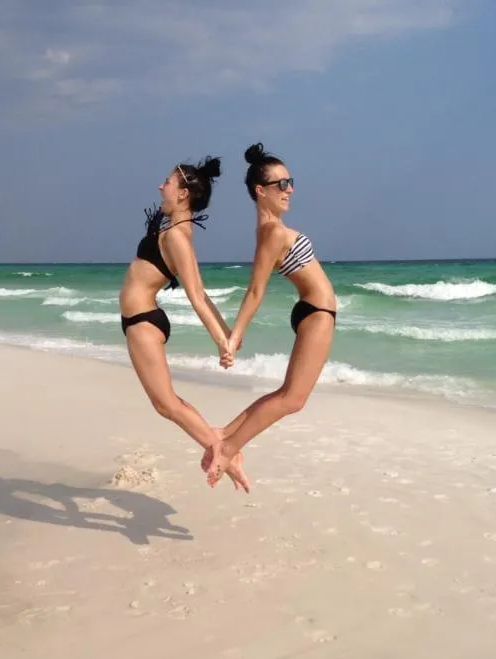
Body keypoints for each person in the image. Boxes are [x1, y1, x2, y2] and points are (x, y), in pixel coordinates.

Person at [203, 143, 336, 489]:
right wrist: (234, 337)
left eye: (290, 181)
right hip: (316, 313)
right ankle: (229, 448)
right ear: (260, 191)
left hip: (314, 312)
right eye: (281, 184)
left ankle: (224, 436)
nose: (289, 189)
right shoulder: (273, 233)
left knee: (287, 394)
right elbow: (256, 290)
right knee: (293, 399)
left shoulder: (271, 229)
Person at [120, 156, 250, 492]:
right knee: (167, 403)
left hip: (143, 321)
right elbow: (202, 292)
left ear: (182, 195)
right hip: (139, 320)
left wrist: (224, 342)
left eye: (168, 182)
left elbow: (195, 295)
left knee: (166, 404)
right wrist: (228, 334)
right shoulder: (175, 230)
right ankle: (220, 443)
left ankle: (225, 452)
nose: (161, 186)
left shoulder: (178, 235)